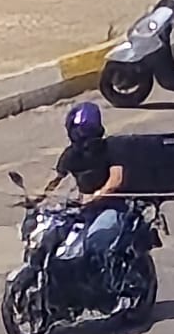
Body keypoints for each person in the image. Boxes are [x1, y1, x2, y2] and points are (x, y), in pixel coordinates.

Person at [40, 101, 128, 287]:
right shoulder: (71, 154)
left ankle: (106, 284)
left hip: (112, 207)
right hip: (84, 209)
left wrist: (96, 195)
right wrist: (37, 197)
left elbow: (116, 179)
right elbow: (55, 179)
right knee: (56, 237)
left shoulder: (111, 148)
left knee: (94, 240)